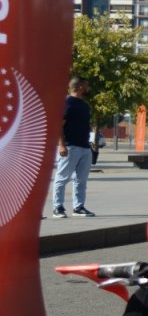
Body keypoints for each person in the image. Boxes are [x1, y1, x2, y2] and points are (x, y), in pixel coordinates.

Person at [51, 76, 94, 218]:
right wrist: (61, 145)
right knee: (62, 178)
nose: (88, 89)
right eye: (86, 86)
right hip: (71, 147)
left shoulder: (84, 105)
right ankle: (58, 207)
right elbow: (58, 125)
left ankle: (78, 207)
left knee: (81, 180)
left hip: (84, 147)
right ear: (80, 87)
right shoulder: (67, 103)